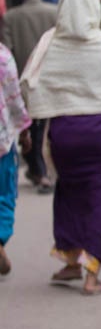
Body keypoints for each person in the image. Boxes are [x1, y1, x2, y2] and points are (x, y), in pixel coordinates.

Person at [20, 0, 101, 295]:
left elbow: (32, 84)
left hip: (64, 136)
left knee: (69, 196)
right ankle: (91, 275)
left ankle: (71, 262)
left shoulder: (50, 45)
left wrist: (27, 130)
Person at [2, 0, 57, 193]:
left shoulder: (10, 17)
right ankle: (43, 171)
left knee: (32, 127)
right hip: (51, 79)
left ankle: (39, 171)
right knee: (45, 128)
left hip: (23, 81)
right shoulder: (54, 12)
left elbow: (7, 51)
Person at [0, 43, 32, 276]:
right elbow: (14, 99)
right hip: (2, 141)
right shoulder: (2, 55)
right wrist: (24, 129)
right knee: (4, 195)